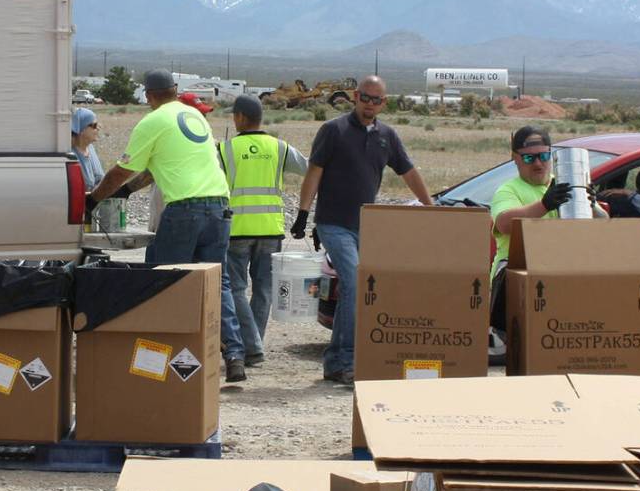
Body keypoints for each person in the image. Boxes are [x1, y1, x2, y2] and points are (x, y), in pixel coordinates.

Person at [87, 69, 247, 383]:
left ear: (148, 96)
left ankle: (158, 356)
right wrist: (130, 191)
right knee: (218, 281)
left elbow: (122, 170)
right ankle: (235, 354)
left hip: (185, 208)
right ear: (174, 90)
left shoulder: (153, 121)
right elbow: (158, 167)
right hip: (219, 205)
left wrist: (94, 199)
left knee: (163, 279)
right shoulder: (194, 117)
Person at [291, 75, 432, 385]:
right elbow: (314, 172)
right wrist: (303, 215)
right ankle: (340, 360)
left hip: (367, 226)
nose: (370, 105)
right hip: (333, 223)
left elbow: (409, 172)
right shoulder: (333, 131)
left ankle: (356, 357)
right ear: (355, 96)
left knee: (365, 288)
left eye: (377, 100)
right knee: (354, 281)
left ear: (384, 103)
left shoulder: (387, 136)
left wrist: (431, 207)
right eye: (365, 98)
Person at [218, 94, 309, 367]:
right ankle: (255, 345)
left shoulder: (225, 149)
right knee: (264, 290)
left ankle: (252, 345)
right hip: (270, 230)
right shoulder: (280, 148)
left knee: (234, 288)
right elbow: (310, 168)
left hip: (237, 229)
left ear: (240, 118)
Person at [488, 126, 604, 338]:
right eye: (529, 158)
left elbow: (605, 226)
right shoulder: (508, 190)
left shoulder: (562, 185)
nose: (539, 163)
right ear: (515, 158)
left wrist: (592, 206)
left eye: (544, 156)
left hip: (559, 279)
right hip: (517, 282)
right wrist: (544, 205)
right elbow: (504, 223)